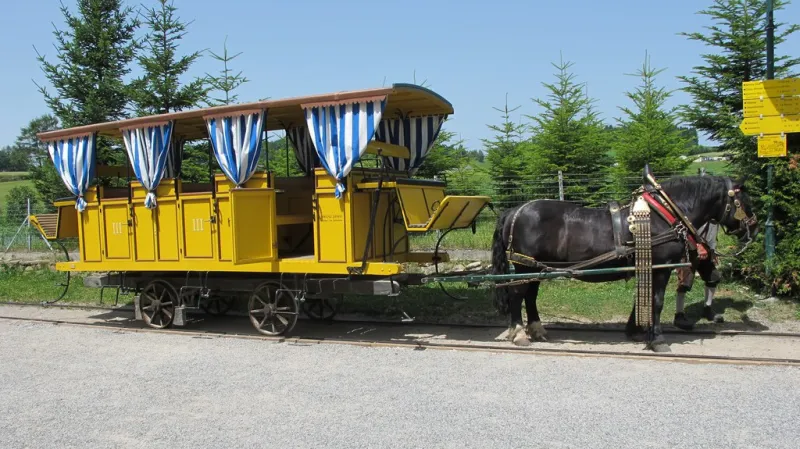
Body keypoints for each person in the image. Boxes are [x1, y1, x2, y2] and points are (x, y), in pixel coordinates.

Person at [673, 221, 724, 330]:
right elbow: (686, 230)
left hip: (707, 250)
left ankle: (707, 308)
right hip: (689, 250)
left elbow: (712, 235)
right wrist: (698, 245)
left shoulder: (716, 217)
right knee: (684, 283)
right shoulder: (701, 210)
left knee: (713, 278)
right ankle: (679, 315)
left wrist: (713, 251)